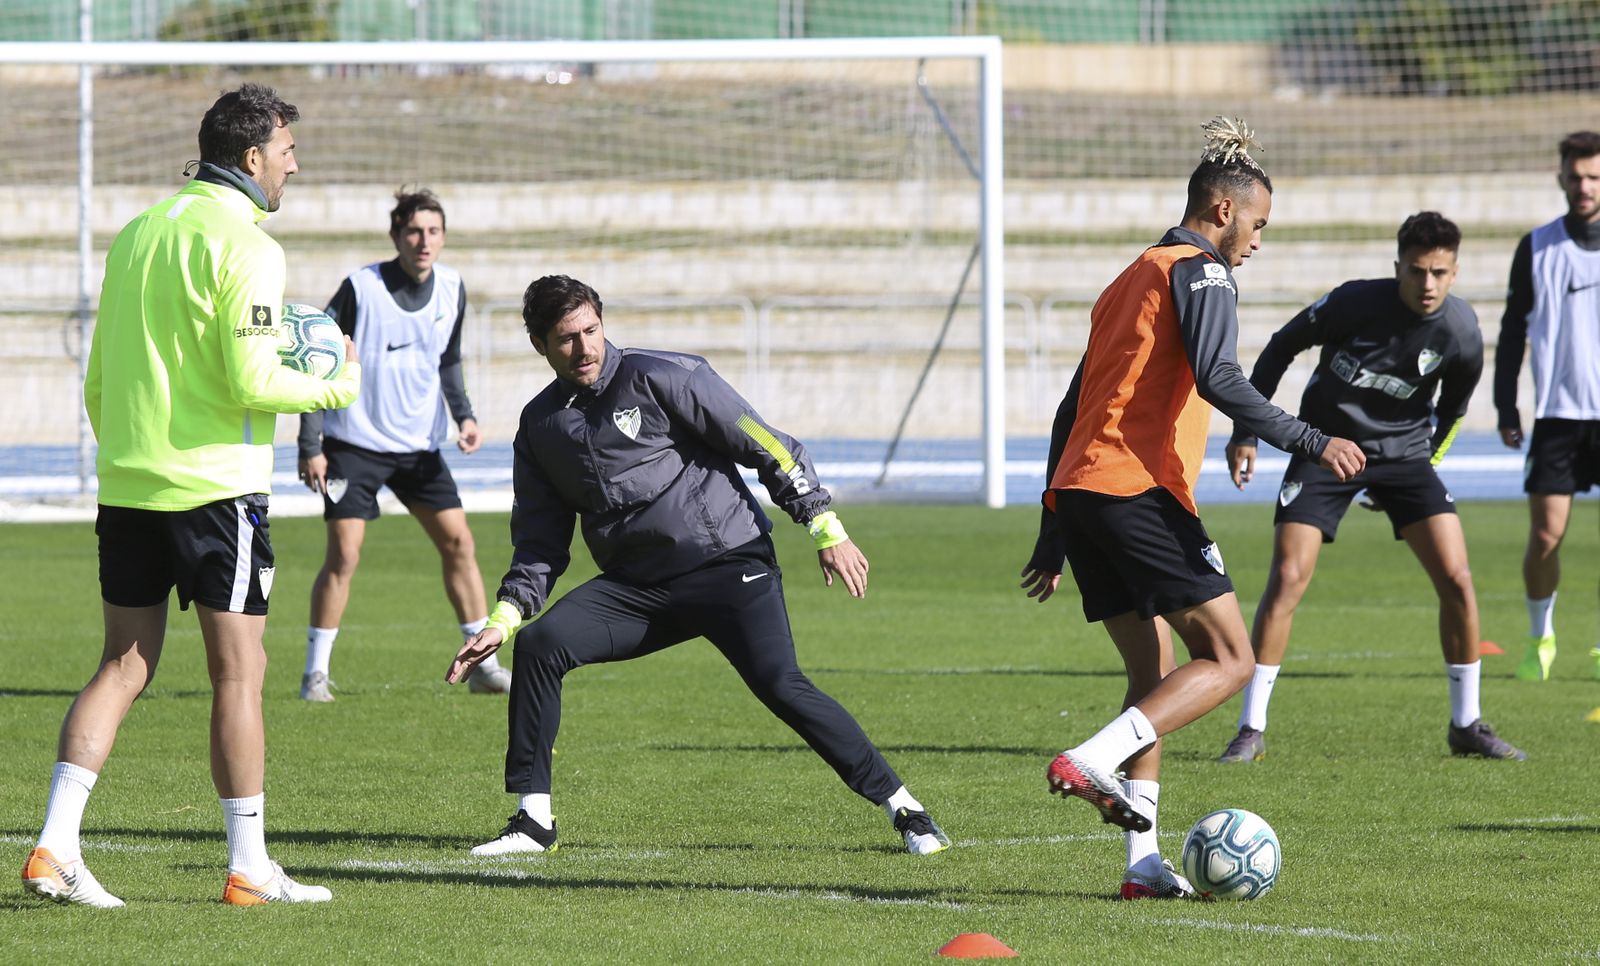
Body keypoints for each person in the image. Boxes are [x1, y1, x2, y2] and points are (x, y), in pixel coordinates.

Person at [445, 275, 949, 857]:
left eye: (591, 330)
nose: (584, 348)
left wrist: (823, 526)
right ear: (539, 345)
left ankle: (905, 809)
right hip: (638, 589)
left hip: (727, 564)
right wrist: (503, 620)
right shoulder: (540, 425)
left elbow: (766, 443)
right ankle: (534, 823)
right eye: (566, 338)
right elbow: (539, 541)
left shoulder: (666, 376)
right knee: (541, 645)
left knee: (780, 685)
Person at [21, 84, 358, 908]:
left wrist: (131, 459)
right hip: (217, 493)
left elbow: (99, 380)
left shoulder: (138, 233)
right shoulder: (249, 245)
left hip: (129, 486)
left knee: (122, 664)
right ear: (252, 156)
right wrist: (338, 385)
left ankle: (54, 847)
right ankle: (249, 868)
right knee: (239, 674)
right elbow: (252, 378)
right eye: (286, 151)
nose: (294, 166)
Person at [1018, 117, 1365, 900]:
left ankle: (1142, 866)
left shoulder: (1130, 276)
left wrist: (1053, 528)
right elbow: (1218, 375)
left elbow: (1071, 409)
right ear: (1222, 210)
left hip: (1084, 494)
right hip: (1138, 490)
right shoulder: (1202, 273)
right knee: (1231, 658)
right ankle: (1092, 758)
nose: (1257, 241)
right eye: (1258, 224)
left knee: (1155, 675)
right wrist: (1311, 440)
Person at [1215, 212, 1526, 764]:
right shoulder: (1353, 303)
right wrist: (1246, 433)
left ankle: (1466, 724)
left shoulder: (1462, 333)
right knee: (1288, 578)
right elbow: (1280, 348)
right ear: (1397, 266)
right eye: (1417, 271)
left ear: (1454, 273)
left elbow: (1452, 413)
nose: (1427, 283)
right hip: (1325, 449)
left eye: (1439, 273)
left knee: (1458, 579)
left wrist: (1424, 462)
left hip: (1403, 459)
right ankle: (1250, 729)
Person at [296, 187, 508, 701]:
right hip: (354, 445)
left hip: (420, 449)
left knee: (460, 543)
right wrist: (310, 443)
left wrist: (464, 415)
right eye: (414, 231)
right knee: (344, 555)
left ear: (444, 237)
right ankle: (315, 674)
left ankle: (483, 666)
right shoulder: (360, 287)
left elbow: (448, 360)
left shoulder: (452, 288)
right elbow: (317, 357)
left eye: (433, 231)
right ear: (396, 236)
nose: (424, 241)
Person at [1495, 131, 1600, 684]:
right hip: (1558, 415)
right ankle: (1542, 637)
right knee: (1544, 537)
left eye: (1594, 177)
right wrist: (1505, 404)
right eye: (1575, 176)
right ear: (1560, 178)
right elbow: (1513, 330)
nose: (1584, 186)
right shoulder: (1537, 247)